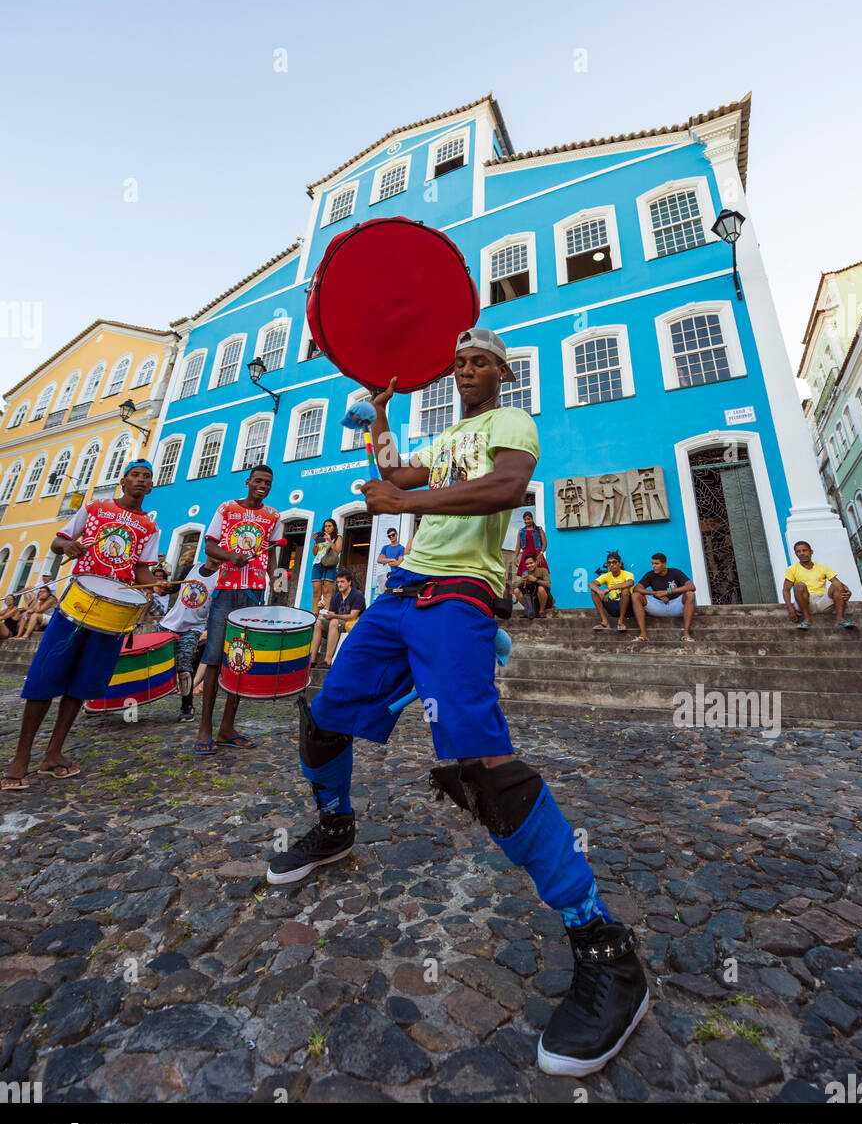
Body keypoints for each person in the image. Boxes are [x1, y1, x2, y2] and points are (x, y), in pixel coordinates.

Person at [266, 325, 648, 1078]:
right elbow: (392, 471)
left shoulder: (511, 424)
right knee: (324, 717)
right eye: (458, 362)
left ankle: (604, 947)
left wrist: (404, 499)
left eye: (478, 362)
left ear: (501, 371)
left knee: (480, 764)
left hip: (459, 597)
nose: (465, 370)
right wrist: (381, 419)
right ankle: (335, 827)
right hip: (398, 595)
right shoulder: (443, 441)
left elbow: (504, 489)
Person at [1, 460, 167, 790]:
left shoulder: (150, 528)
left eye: (146, 477)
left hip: (112, 613)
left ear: (151, 486)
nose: (140, 480)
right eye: (135, 475)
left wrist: (156, 584)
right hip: (77, 603)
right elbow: (58, 542)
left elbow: (141, 570)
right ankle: (20, 758)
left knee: (82, 683)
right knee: (45, 676)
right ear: (123, 481)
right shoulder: (95, 507)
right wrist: (68, 546)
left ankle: (53, 754)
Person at [196, 465, 282, 754]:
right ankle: (205, 728)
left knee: (240, 660)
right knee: (213, 657)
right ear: (248, 482)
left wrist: (275, 579)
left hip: (254, 594)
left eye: (267, 482)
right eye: (258, 480)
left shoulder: (273, 516)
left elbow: (271, 552)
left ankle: (227, 728)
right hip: (225, 591)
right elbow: (209, 547)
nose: (262, 485)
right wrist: (230, 556)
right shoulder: (227, 508)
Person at [156, 553, 220, 721]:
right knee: (149, 659)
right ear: (209, 549)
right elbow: (172, 589)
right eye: (216, 548)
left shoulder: (221, 578)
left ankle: (187, 707)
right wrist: (163, 586)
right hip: (169, 623)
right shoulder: (190, 569)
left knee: (184, 666)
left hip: (193, 628)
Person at [783, 541, 853, 630]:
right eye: (798, 551)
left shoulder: (823, 567)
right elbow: (786, 590)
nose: (802, 553)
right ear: (796, 554)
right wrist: (790, 607)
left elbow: (837, 583)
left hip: (822, 602)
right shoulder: (791, 569)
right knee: (799, 585)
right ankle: (807, 619)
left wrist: (848, 591)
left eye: (804, 550)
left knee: (837, 585)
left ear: (811, 552)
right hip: (804, 603)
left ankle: (840, 619)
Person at [632, 554, 697, 643]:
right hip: (658, 606)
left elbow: (691, 586)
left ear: (664, 564)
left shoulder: (675, 572)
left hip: (676, 606)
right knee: (635, 595)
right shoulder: (650, 575)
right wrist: (656, 593)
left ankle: (686, 634)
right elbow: (637, 588)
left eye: (657, 563)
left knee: (690, 594)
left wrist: (668, 591)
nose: (653, 566)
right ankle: (643, 635)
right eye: (652, 563)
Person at [309, 567, 366, 668]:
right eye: (338, 582)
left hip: (352, 625)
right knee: (318, 623)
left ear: (349, 582)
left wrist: (334, 616)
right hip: (337, 624)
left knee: (334, 622)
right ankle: (312, 661)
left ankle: (327, 661)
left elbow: (352, 616)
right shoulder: (336, 596)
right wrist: (322, 609)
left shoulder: (357, 595)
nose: (339, 584)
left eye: (342, 582)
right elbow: (331, 614)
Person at [590, 552, 634, 632]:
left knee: (625, 590)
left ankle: (621, 622)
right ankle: (605, 622)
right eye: (609, 563)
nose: (611, 565)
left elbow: (630, 583)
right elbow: (591, 584)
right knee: (594, 592)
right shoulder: (607, 575)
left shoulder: (627, 574)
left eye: (614, 562)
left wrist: (609, 589)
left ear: (620, 564)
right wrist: (599, 592)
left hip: (628, 608)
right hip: (613, 606)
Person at [310, 518, 342, 615]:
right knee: (316, 592)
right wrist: (315, 542)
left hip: (330, 565)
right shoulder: (321, 538)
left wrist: (330, 541)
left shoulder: (338, 537)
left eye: (329, 526)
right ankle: (314, 616)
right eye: (325, 526)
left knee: (327, 592)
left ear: (334, 527)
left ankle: (326, 615)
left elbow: (337, 551)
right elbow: (315, 553)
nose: (327, 528)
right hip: (317, 564)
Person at [516, 510, 547, 576]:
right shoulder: (521, 531)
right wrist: (516, 557)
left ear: (532, 519)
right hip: (526, 556)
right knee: (526, 576)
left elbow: (544, 544)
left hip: (538, 556)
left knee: (541, 575)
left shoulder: (539, 530)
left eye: (528, 519)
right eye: (525, 519)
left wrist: (541, 553)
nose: (527, 521)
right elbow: (518, 546)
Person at [375, 526, 404, 595]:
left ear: (396, 534)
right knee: (382, 595)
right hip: (384, 577)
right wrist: (391, 560)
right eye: (389, 536)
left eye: (393, 535)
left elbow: (398, 563)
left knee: (394, 595)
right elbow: (379, 560)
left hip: (396, 576)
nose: (391, 537)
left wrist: (385, 561)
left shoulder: (402, 548)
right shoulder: (385, 548)